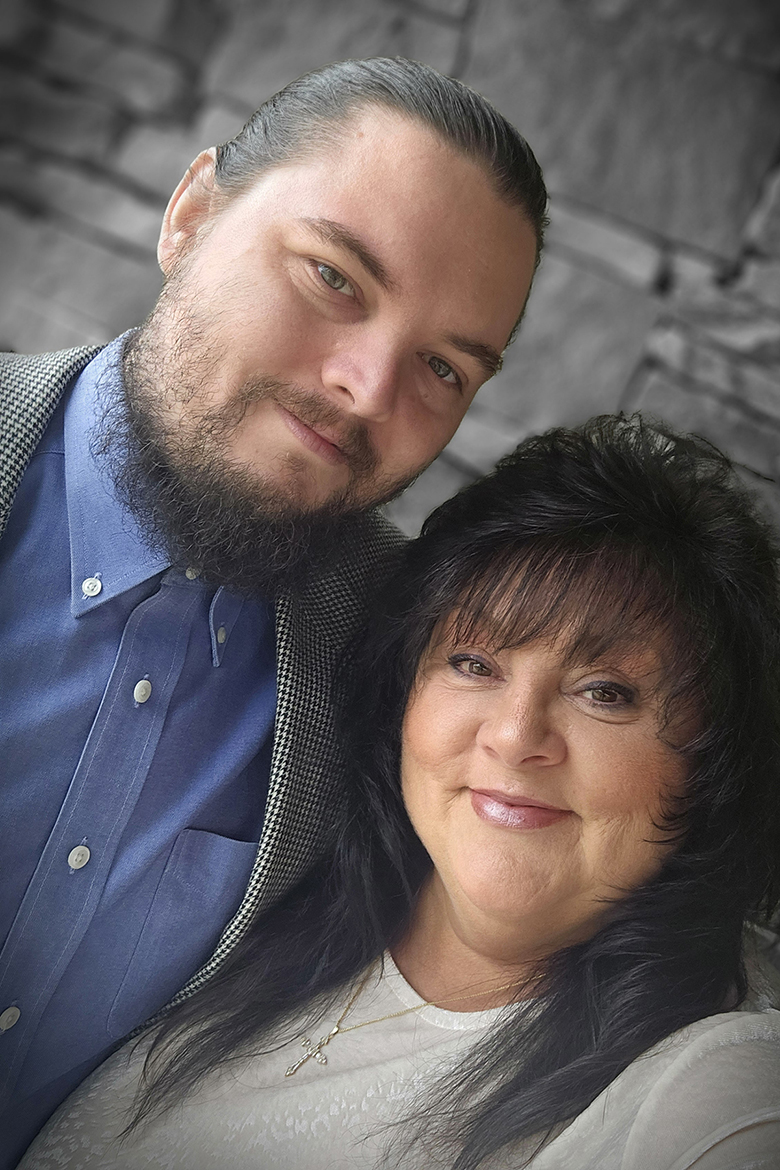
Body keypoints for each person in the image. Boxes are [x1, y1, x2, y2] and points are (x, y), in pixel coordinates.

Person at [0, 56, 546, 1165]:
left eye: (444, 367)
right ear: (192, 214)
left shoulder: (407, 670)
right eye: (335, 278)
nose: (368, 386)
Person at [19, 414, 780, 1170]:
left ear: (714, 765)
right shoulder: (276, 890)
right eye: (474, 664)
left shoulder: (712, 1090)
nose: (514, 736)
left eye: (605, 692)